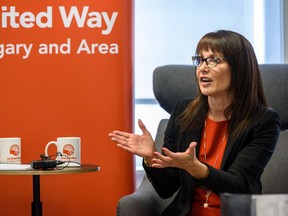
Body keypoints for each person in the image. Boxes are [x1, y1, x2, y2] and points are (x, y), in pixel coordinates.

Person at [108, 30, 281, 216]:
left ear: (240, 69)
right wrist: (151, 157)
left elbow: (239, 184)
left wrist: (196, 168)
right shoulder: (183, 112)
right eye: (200, 60)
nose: (202, 68)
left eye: (213, 60)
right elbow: (167, 188)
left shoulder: (263, 121)